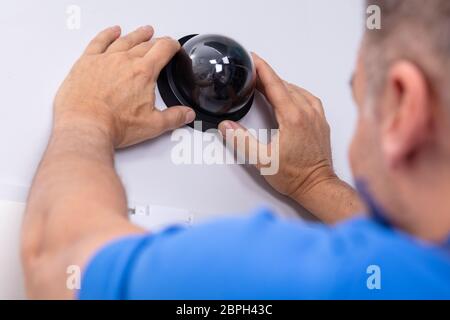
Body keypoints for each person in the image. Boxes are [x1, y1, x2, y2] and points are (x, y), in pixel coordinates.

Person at [22, 0, 450, 299]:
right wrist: (316, 180)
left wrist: (87, 115)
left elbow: (55, 260)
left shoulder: (315, 278)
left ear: (403, 104)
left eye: (359, 103)